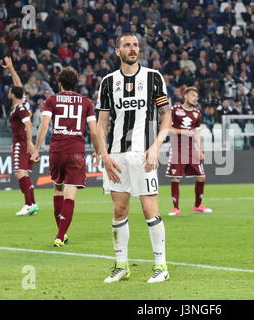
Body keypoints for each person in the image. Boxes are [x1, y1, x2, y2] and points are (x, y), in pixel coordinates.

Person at [95, 33, 172, 283]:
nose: (132, 48)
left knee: (150, 210)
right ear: (118, 51)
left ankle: (161, 266)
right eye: (127, 45)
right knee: (119, 210)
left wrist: (156, 147)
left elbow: (166, 115)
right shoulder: (108, 82)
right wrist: (104, 155)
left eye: (136, 45)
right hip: (117, 155)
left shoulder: (153, 77)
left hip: (143, 154)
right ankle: (121, 265)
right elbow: (102, 123)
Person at [31, 66, 101, 247]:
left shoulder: (51, 100)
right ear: (76, 84)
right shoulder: (86, 102)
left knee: (58, 190)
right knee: (70, 195)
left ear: (60, 83)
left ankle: (61, 233)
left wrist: (37, 149)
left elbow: (44, 126)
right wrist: (97, 150)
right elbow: (93, 132)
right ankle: (60, 235)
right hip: (76, 151)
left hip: (56, 150)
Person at [1, 57, 39, 216]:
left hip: (21, 142)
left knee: (19, 172)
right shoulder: (22, 102)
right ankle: (32, 204)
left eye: (9, 91)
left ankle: (29, 204)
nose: (9, 92)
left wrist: (29, 143)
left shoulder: (19, 109)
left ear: (12, 95)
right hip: (23, 142)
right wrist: (10, 68)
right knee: (23, 172)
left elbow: (28, 124)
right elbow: (18, 84)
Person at [165, 87, 212, 216]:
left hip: (191, 149)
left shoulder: (197, 113)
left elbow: (197, 132)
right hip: (177, 148)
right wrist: (181, 131)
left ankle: (198, 205)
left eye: (196, 96)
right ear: (185, 96)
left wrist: (200, 150)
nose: (195, 98)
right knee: (175, 178)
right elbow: (167, 128)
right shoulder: (175, 110)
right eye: (192, 95)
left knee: (202, 177)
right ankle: (176, 208)